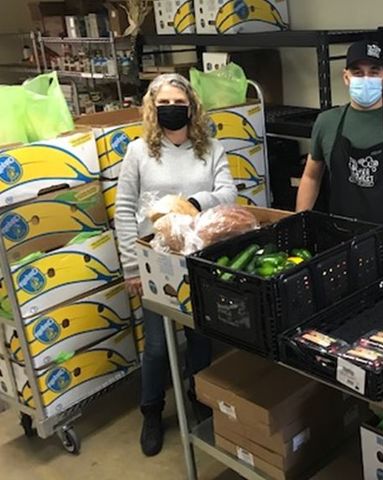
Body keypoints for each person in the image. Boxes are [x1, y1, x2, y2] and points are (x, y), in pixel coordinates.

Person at [115, 73, 237, 456]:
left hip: (200, 254)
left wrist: (196, 203)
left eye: (178, 103)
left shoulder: (211, 148)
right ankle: (151, 410)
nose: (172, 109)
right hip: (155, 262)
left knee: (200, 332)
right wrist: (132, 268)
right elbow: (123, 209)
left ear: (192, 107)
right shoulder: (139, 152)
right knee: (155, 346)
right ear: (153, 108)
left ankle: (196, 392)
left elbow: (229, 192)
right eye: (163, 104)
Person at [296, 40, 383, 273]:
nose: (366, 79)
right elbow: (311, 178)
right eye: (357, 73)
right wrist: (300, 223)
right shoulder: (327, 122)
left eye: (373, 72)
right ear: (346, 77)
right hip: (341, 242)